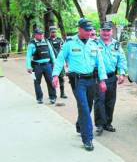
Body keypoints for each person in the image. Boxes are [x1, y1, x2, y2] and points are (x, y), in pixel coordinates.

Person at [52, 19, 107, 151]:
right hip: (78, 81)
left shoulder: (94, 44)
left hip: (92, 80)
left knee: (88, 106)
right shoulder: (69, 43)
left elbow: (100, 63)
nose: (90, 32)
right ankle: (87, 139)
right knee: (83, 107)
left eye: (91, 30)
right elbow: (60, 59)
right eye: (87, 30)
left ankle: (79, 124)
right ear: (80, 29)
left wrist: (103, 80)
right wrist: (55, 75)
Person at [94, 21, 127, 134]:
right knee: (99, 101)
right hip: (98, 78)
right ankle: (99, 125)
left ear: (111, 31)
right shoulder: (94, 43)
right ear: (100, 31)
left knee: (110, 101)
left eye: (108, 30)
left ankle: (107, 123)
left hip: (112, 77)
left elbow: (121, 59)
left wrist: (122, 73)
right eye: (104, 30)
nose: (106, 33)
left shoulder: (116, 45)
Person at [26, 28, 57, 104]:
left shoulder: (46, 41)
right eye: (39, 34)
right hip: (37, 66)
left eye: (42, 34)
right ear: (35, 35)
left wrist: (54, 62)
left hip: (47, 65)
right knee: (37, 82)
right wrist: (28, 66)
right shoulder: (32, 44)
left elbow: (51, 52)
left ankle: (52, 97)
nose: (41, 35)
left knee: (50, 81)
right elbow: (28, 56)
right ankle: (39, 98)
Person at [48, 26, 67, 99]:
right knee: (52, 78)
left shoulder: (60, 40)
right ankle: (53, 94)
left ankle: (62, 93)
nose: (54, 33)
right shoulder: (48, 41)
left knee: (61, 77)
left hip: (59, 62)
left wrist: (66, 61)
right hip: (51, 62)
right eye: (52, 32)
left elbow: (64, 50)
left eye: (55, 32)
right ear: (50, 32)